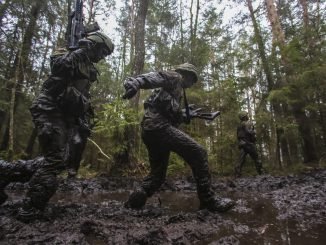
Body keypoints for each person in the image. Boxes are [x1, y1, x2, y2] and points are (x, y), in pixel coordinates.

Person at [0, 31, 114, 221]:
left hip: (65, 115)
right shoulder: (67, 54)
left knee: (60, 159)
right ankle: (30, 208)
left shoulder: (88, 69)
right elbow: (59, 67)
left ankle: (5, 172)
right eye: (101, 52)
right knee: (55, 160)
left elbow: (82, 95)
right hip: (48, 109)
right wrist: (80, 51)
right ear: (92, 45)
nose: (101, 58)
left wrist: (83, 120)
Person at [122, 63, 235, 212]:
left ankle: (131, 205)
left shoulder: (175, 92)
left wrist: (186, 115)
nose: (192, 83)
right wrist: (137, 82)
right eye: (192, 79)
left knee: (157, 176)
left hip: (151, 131)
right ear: (186, 74)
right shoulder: (175, 77)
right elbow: (158, 76)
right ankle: (208, 200)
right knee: (199, 153)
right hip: (159, 127)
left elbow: (171, 116)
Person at [234, 111, 263, 178]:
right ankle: (262, 174)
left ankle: (237, 176)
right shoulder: (247, 123)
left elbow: (238, 136)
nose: (247, 116)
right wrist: (253, 134)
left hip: (242, 144)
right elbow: (249, 132)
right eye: (246, 115)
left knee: (240, 161)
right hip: (248, 144)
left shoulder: (239, 125)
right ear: (244, 117)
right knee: (256, 158)